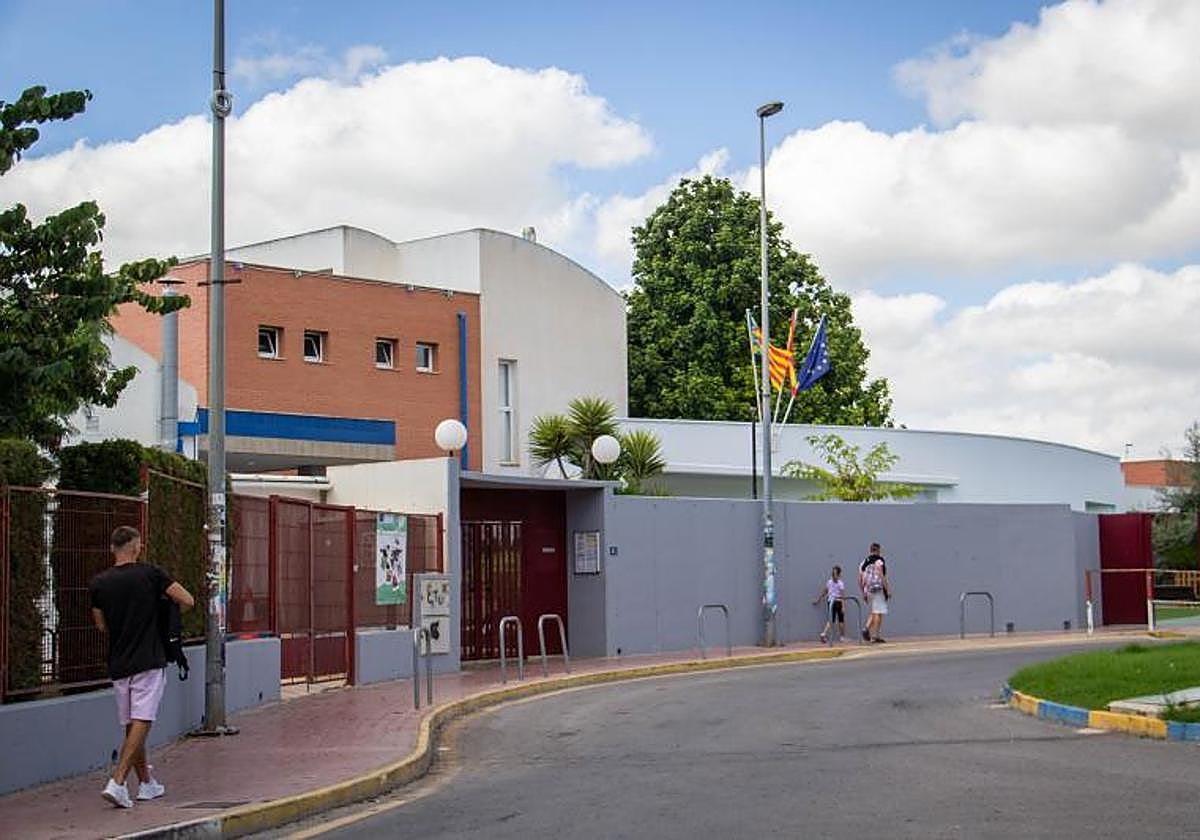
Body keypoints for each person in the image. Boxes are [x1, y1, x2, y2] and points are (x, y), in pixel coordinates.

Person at [90, 526, 194, 809]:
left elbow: (101, 625)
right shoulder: (151, 574)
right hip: (148, 658)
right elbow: (187, 600)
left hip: (119, 661)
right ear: (136, 547)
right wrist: (164, 615)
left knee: (131, 725)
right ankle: (118, 781)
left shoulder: (99, 583)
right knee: (143, 721)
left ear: (113, 548)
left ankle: (147, 783)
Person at [812, 565, 847, 643]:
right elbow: (842, 596)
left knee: (831, 620)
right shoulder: (840, 583)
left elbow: (824, 592)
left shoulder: (829, 582)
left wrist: (818, 600)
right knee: (841, 620)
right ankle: (842, 637)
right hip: (837, 602)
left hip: (830, 602)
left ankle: (824, 633)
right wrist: (843, 606)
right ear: (839, 574)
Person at [861, 553, 891, 643]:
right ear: (878, 550)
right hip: (878, 589)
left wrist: (864, 592)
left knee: (875, 610)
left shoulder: (865, 562)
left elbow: (861, 578)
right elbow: (882, 575)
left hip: (869, 589)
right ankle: (875, 636)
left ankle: (866, 628)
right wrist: (887, 589)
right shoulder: (879, 561)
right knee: (879, 612)